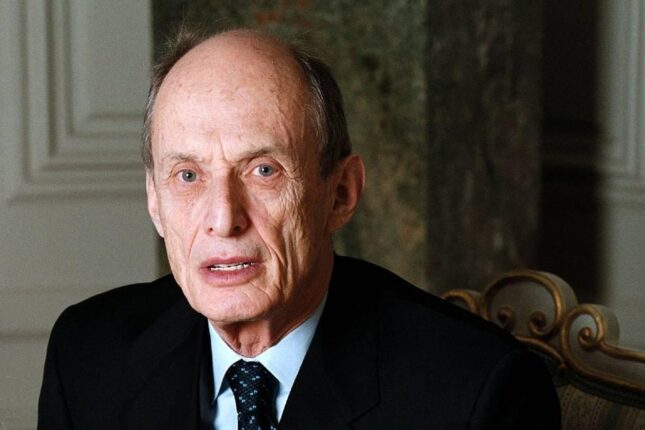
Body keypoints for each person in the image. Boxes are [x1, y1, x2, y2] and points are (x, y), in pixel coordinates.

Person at [38, 28, 560, 429]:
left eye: (263, 170)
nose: (223, 218)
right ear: (154, 200)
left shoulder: (475, 394)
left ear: (341, 193)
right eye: (188, 176)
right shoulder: (87, 356)